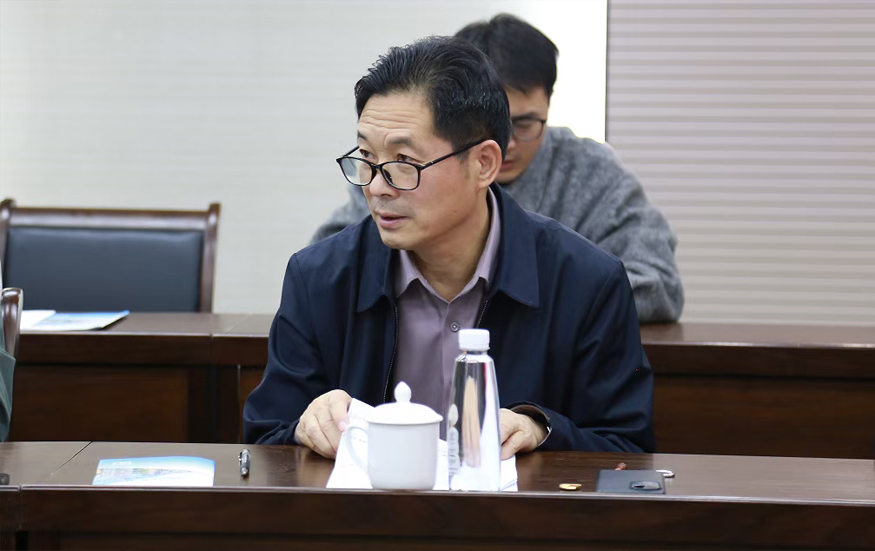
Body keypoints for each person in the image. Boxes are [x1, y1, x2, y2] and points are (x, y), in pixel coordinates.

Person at [244, 36, 653, 459]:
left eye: (404, 162)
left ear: (483, 164)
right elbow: (264, 442)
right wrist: (305, 428)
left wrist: (542, 429)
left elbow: (626, 450)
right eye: (366, 156)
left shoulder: (587, 283)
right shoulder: (319, 279)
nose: (377, 187)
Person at [311, 14, 684, 323]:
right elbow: (330, 272)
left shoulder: (589, 170)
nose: (507, 142)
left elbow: (659, 285)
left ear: (549, 103)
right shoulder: (393, 170)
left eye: (524, 123)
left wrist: (526, 304)